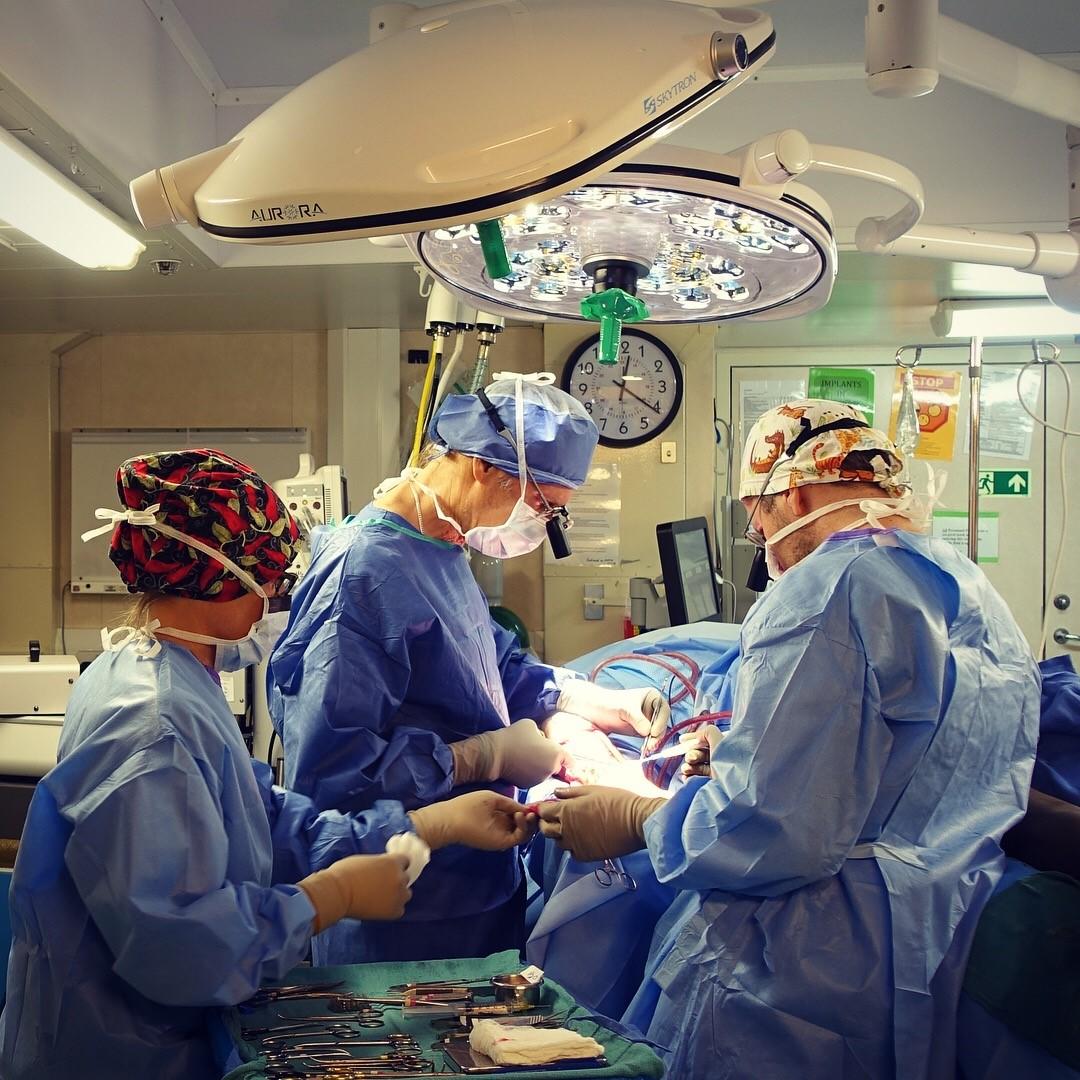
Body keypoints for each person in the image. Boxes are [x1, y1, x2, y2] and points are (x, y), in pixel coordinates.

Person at [538, 399, 1041, 1079]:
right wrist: (749, 750)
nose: (765, 544)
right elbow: (914, 764)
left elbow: (768, 832)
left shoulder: (828, 588)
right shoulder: (966, 586)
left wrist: (643, 817)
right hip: (927, 933)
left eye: (761, 519)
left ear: (793, 491)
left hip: (799, 963)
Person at [0, 450, 534, 1080]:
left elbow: (267, 820)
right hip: (125, 1050)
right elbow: (183, 947)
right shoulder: (151, 727)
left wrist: (428, 827)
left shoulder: (167, 675)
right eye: (272, 579)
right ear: (220, 576)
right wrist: (324, 899)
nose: (279, 600)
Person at [269, 374, 671, 964]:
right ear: (484, 466)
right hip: (403, 906)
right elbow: (334, 779)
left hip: (478, 887)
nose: (542, 524)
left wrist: (587, 700)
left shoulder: (441, 548)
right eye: (542, 504)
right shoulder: (363, 574)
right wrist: (477, 757)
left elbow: (483, 667)